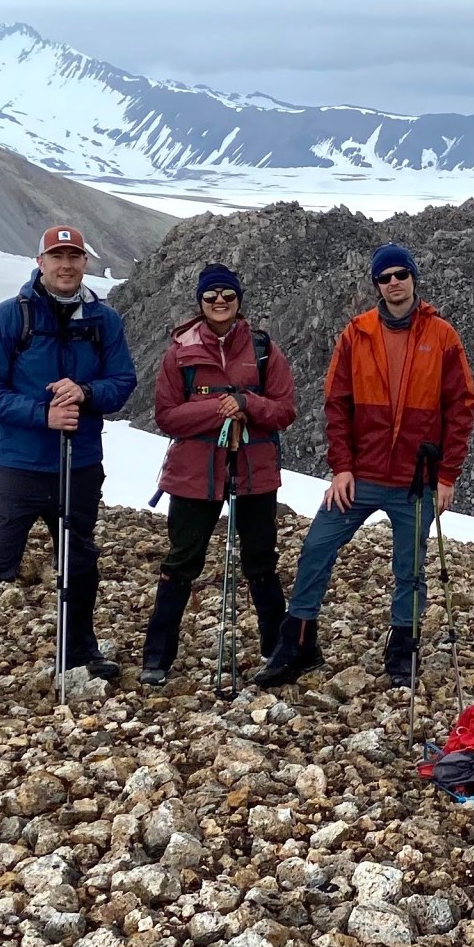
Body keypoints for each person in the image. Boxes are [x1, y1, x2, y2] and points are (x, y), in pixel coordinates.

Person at [257, 242, 474, 689]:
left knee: (409, 569)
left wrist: (447, 475)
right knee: (316, 548)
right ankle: (298, 643)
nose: (393, 282)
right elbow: (336, 404)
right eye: (385, 277)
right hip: (359, 476)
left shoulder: (443, 336)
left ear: (414, 277)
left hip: (415, 481)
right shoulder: (356, 334)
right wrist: (341, 467)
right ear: (376, 284)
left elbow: (462, 407)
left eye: (401, 274)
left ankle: (402, 650)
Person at [0, 225, 138, 715]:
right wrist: (42, 414)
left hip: (81, 463)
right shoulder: (12, 317)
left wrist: (87, 394)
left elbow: (123, 381)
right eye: (57, 256)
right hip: (18, 466)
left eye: (75, 256)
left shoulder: (103, 321)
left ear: (85, 262)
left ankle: (77, 653)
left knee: (79, 560)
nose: (67, 265)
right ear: (40, 261)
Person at [141, 264, 298, 687]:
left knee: (261, 562)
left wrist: (246, 403)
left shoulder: (264, 349)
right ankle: (156, 656)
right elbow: (166, 416)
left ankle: (278, 652)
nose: (220, 302)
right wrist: (221, 408)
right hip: (197, 474)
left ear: (238, 298)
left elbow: (285, 408)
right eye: (211, 297)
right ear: (200, 302)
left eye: (227, 295)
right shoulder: (180, 353)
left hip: (253, 472)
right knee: (181, 562)